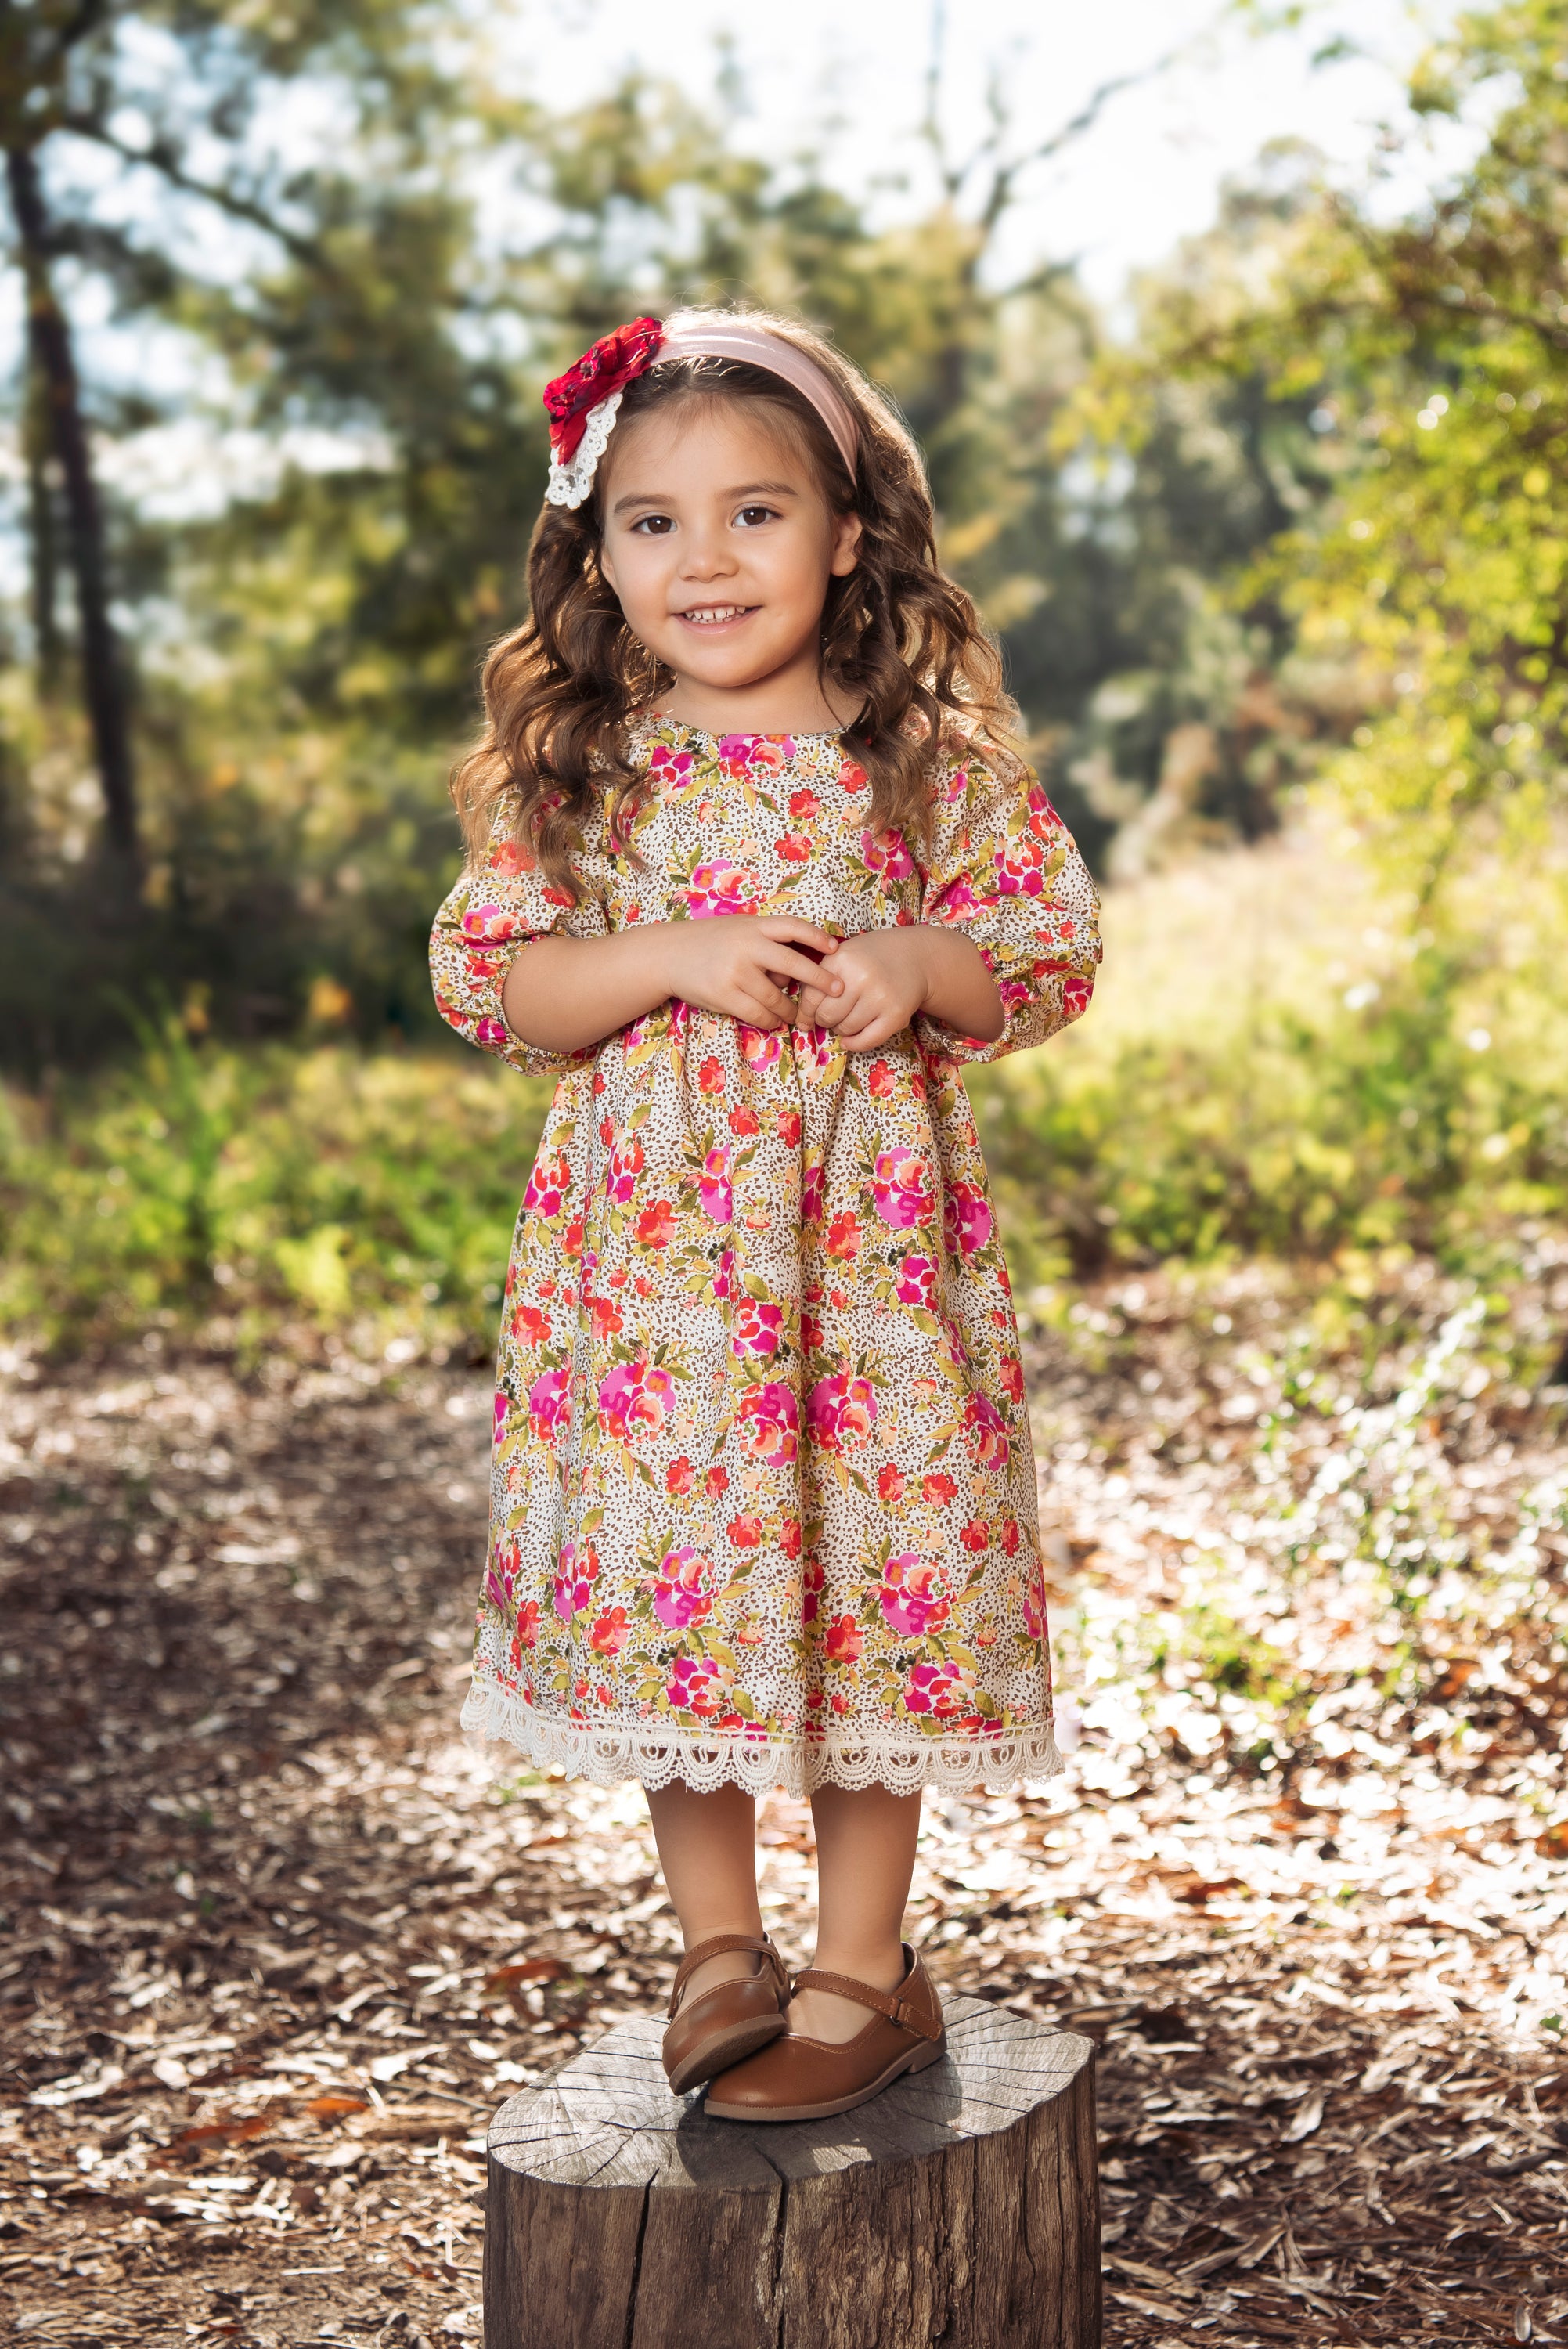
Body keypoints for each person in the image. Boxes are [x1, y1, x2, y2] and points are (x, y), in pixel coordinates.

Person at [429, 306, 1101, 2123]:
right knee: (688, 1588)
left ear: (848, 532)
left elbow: (1045, 952)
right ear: (598, 551)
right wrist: (666, 952)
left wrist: (919, 963)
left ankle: (866, 1967)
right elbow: (495, 980)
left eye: (755, 512)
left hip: (865, 1275)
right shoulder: (590, 772)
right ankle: (717, 1946)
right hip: (655, 1295)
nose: (705, 560)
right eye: (653, 522)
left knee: (876, 1583)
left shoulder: (921, 764)